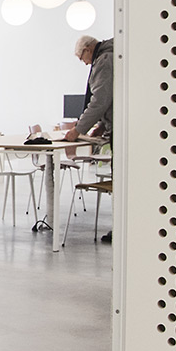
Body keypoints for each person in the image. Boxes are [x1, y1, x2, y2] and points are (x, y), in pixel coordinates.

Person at [65, 33, 113, 243]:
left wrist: (78, 130)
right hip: (114, 127)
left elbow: (100, 100)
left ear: (88, 49)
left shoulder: (104, 60)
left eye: (81, 57)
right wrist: (101, 125)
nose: (83, 62)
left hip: (121, 130)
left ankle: (122, 228)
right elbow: (111, 98)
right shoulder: (111, 56)